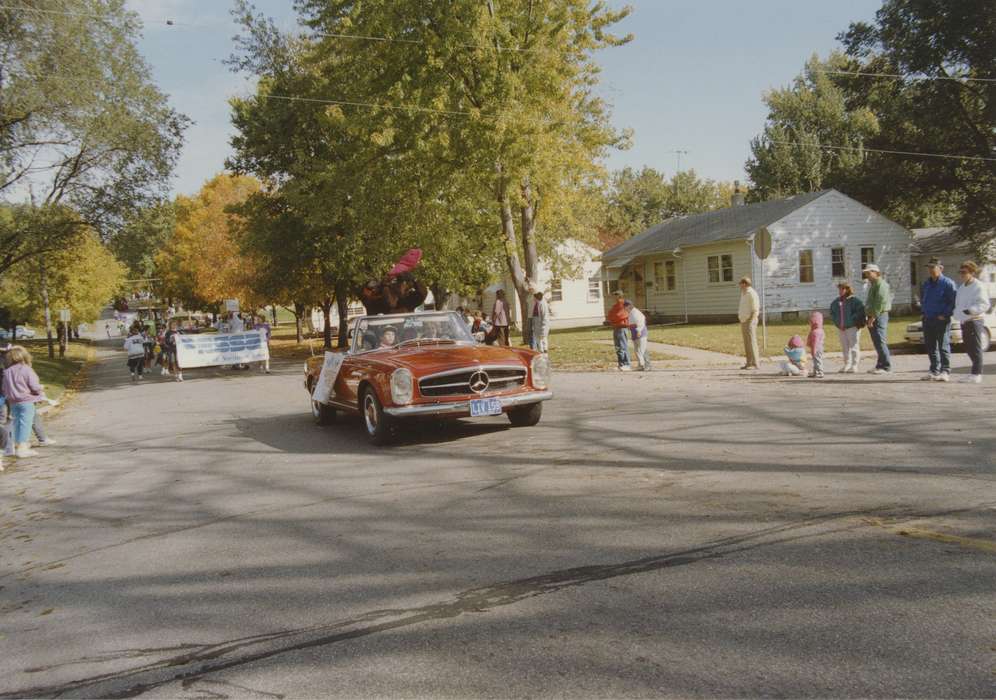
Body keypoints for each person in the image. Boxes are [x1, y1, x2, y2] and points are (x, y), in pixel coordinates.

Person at [918, 258, 957, 382]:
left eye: (933, 267)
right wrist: (923, 312)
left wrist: (945, 314)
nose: (930, 270)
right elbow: (923, 298)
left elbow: (953, 301)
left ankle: (945, 370)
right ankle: (934, 370)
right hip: (928, 319)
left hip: (941, 319)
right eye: (929, 267)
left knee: (943, 345)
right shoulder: (927, 283)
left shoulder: (948, 283)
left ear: (940, 268)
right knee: (930, 346)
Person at [2, 345, 44, 458]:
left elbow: (4, 388)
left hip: (13, 402)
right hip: (26, 401)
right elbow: (34, 386)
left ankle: (19, 444)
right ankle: (23, 447)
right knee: (26, 423)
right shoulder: (26, 369)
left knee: (17, 424)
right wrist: (41, 390)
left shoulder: (7, 372)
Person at [953, 261, 990, 384]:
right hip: (964, 321)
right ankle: (974, 372)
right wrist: (958, 314)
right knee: (968, 347)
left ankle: (977, 373)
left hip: (975, 320)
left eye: (964, 272)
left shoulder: (978, 286)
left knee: (975, 348)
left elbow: (984, 304)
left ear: (972, 273)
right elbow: (958, 303)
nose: (962, 275)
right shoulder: (962, 287)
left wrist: (970, 311)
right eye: (960, 272)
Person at [863, 264, 893, 374]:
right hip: (872, 315)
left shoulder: (881, 285)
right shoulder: (873, 285)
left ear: (876, 272)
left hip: (879, 315)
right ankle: (880, 364)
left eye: (869, 272)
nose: (867, 275)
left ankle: (886, 366)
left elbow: (879, 303)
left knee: (880, 340)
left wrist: (873, 317)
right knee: (876, 341)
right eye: (866, 273)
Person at [829, 281, 865, 373]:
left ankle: (854, 365)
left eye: (843, 289)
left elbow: (860, 312)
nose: (840, 291)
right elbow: (832, 313)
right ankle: (847, 364)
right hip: (841, 328)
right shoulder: (836, 302)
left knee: (854, 346)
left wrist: (851, 321)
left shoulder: (855, 301)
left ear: (848, 289)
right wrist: (837, 323)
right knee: (845, 347)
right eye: (839, 289)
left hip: (852, 327)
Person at [738, 277, 761, 370]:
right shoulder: (743, 293)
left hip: (750, 320)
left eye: (741, 283)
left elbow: (755, 308)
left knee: (752, 341)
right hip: (743, 320)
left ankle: (756, 363)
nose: (740, 285)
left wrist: (751, 320)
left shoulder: (751, 293)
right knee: (746, 342)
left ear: (745, 284)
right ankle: (749, 362)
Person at [606, 290, 631, 371]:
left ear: (619, 296)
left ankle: (627, 364)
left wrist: (613, 318)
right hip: (616, 327)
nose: (613, 298)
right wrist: (612, 318)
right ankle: (621, 364)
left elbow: (619, 316)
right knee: (618, 347)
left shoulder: (624, 305)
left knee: (623, 346)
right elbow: (609, 316)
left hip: (622, 328)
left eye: (614, 296)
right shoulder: (615, 306)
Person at [624, 301, 650, 371]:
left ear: (629, 306)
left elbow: (641, 322)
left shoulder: (636, 312)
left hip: (640, 333)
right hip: (634, 332)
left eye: (625, 307)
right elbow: (631, 322)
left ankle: (647, 365)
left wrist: (639, 330)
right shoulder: (631, 313)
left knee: (642, 350)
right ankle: (641, 365)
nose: (624, 309)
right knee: (637, 350)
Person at [806, 311, 825, 379]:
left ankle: (820, 372)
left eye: (811, 322)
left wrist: (813, 350)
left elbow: (815, 343)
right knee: (815, 361)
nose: (810, 323)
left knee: (817, 361)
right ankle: (815, 372)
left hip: (816, 349)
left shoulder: (815, 332)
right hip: (819, 348)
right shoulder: (820, 330)